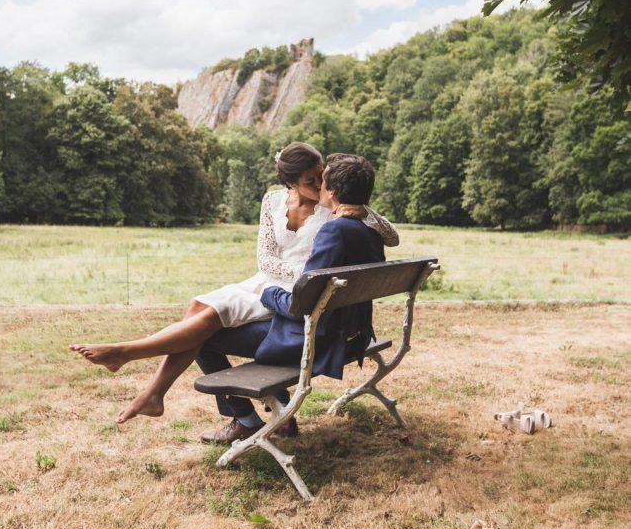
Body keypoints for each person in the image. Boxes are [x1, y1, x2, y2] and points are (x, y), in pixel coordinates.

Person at [69, 143, 398, 426]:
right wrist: (276, 281)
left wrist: (359, 208)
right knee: (196, 309)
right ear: (290, 183)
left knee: (205, 328)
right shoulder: (275, 202)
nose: (318, 184)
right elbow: (265, 258)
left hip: (297, 293)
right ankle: (156, 391)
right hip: (276, 280)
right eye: (309, 181)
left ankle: (132, 356)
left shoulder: (336, 215)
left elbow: (378, 234)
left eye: (321, 178)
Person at [196, 152, 386, 443]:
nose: (318, 185)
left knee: (202, 336)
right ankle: (279, 406)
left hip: (318, 338)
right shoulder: (367, 232)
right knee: (213, 319)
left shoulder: (332, 231)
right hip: (352, 333)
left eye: (322, 181)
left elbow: (299, 307)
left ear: (331, 192)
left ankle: (247, 419)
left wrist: (267, 293)